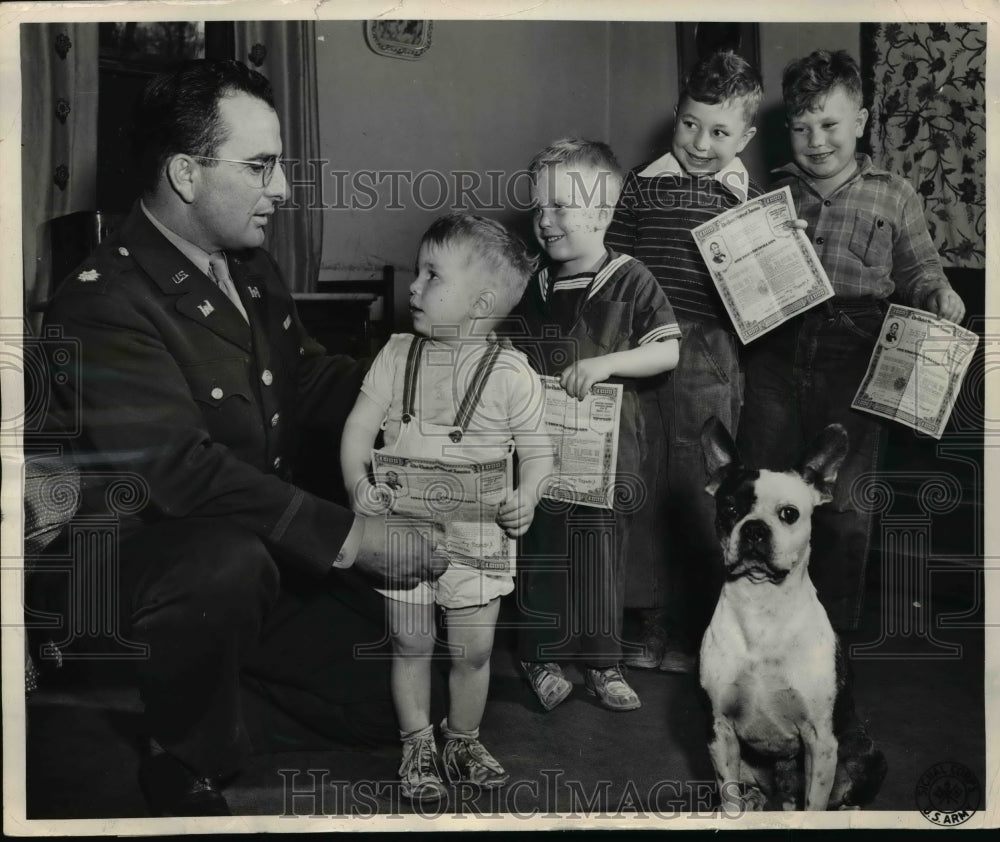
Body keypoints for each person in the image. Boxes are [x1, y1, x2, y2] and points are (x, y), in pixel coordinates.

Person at [40, 59, 447, 818]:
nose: (284, 189)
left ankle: (196, 693)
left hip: (260, 553)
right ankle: (185, 752)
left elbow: (310, 381)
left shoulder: (249, 270)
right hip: (152, 560)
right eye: (261, 167)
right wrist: (357, 537)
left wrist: (436, 393)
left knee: (417, 690)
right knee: (222, 560)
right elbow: (183, 473)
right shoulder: (102, 304)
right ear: (186, 174)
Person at [736, 50, 965, 630]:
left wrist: (940, 295)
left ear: (860, 122)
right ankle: (758, 638)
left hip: (858, 355)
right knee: (760, 493)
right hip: (775, 353)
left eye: (830, 124)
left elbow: (921, 271)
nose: (816, 140)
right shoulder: (766, 195)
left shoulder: (895, 194)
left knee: (845, 509)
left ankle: (830, 651)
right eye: (801, 126)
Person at [340, 214, 554, 801]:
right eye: (417, 269)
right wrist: (358, 483)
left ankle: (461, 736)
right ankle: (416, 742)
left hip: (479, 538)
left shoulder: (513, 375)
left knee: (474, 649)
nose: (413, 285)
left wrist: (527, 495)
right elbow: (358, 428)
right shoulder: (395, 353)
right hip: (402, 529)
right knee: (411, 643)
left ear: (481, 301)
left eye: (432, 274)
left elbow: (538, 456)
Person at [604, 50, 764, 673]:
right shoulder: (641, 184)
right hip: (646, 345)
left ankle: (701, 626)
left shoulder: (753, 200)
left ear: (745, 136)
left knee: (701, 487)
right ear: (676, 114)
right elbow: (614, 265)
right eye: (691, 124)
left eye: (720, 132)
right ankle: (646, 620)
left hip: (715, 353)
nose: (701, 143)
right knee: (641, 482)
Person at [512, 138, 681, 713]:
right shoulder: (533, 282)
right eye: (539, 208)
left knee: (599, 556)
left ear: (604, 212)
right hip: (539, 451)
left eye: (561, 206)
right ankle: (537, 654)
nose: (546, 220)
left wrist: (607, 363)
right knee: (539, 549)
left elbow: (668, 353)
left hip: (608, 459)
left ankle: (602, 663)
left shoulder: (632, 279)